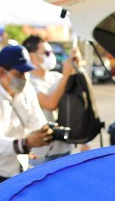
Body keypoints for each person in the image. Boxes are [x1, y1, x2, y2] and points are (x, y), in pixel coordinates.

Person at [0, 44, 51, 194]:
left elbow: (36, 120)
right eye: (19, 74)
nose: (24, 79)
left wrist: (47, 132)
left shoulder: (26, 90)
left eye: (27, 73)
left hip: (17, 167)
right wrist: (26, 143)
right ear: (2, 72)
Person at [23, 34, 77, 163]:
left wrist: (75, 64)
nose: (51, 56)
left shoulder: (56, 77)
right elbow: (50, 103)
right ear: (32, 57)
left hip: (64, 148)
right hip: (42, 153)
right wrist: (66, 75)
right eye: (46, 53)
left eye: (51, 52)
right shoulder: (27, 82)